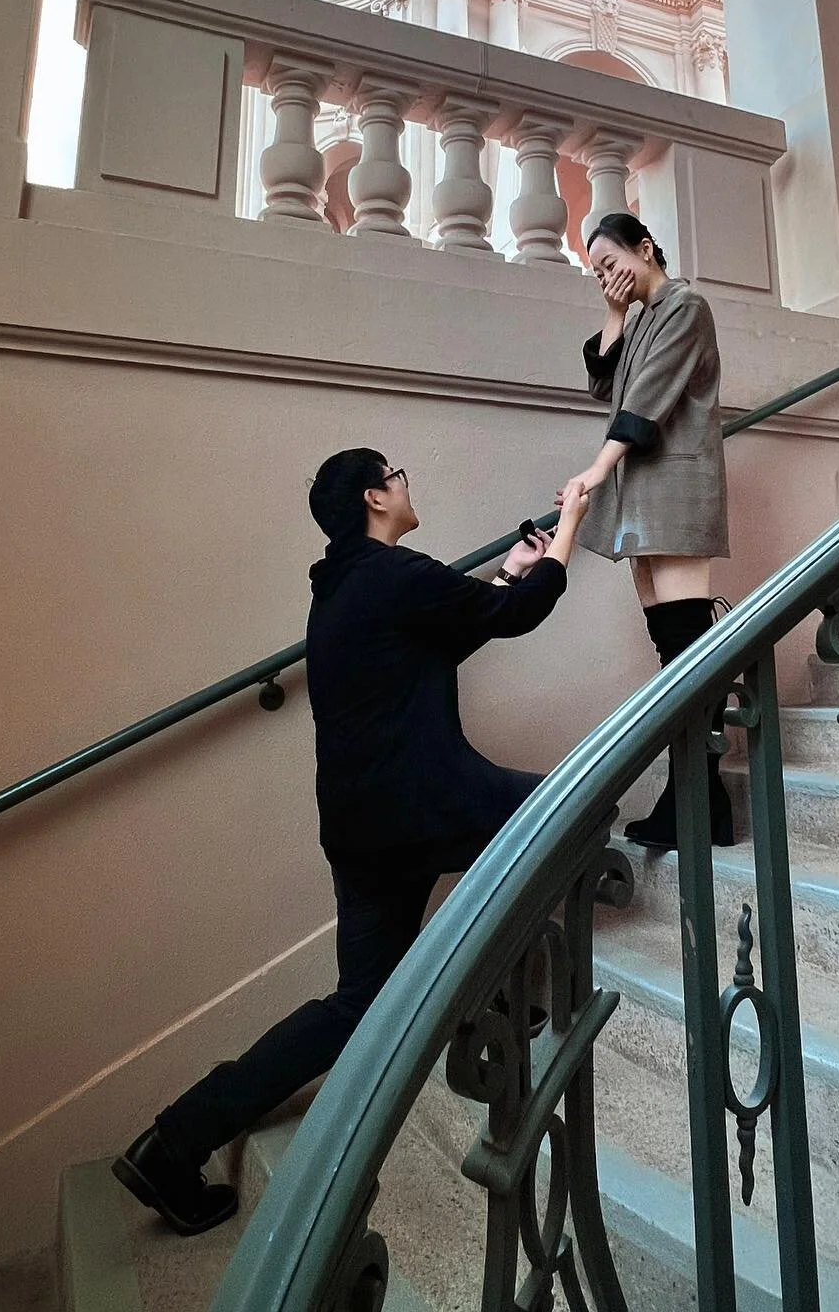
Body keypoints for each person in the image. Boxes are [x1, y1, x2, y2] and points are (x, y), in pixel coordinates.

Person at [113, 449, 590, 1235]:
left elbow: (440, 639)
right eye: (396, 476)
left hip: (362, 827)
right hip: (427, 802)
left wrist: (508, 572)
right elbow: (519, 617)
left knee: (356, 1005)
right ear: (375, 496)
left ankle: (173, 1143)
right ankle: (502, 1002)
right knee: (572, 809)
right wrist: (570, 522)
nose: (406, 484)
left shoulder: (341, 590)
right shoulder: (393, 575)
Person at [557, 212, 734, 851]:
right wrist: (613, 313)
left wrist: (596, 469)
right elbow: (603, 384)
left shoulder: (687, 307)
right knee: (672, 651)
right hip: (644, 491)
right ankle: (701, 798)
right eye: (597, 272)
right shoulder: (638, 320)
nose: (607, 276)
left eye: (612, 263)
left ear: (646, 248)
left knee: (687, 647)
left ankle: (697, 797)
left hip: (677, 488)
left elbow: (646, 399)